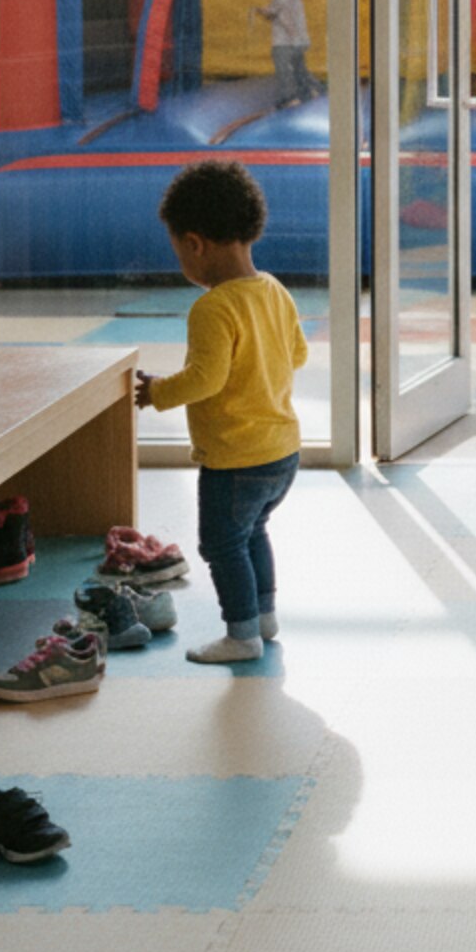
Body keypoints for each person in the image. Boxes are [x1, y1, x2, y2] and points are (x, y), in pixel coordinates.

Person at [135, 161, 307, 665]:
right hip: (282, 453)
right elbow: (297, 355)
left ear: (195, 243)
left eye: (176, 250)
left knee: (221, 546)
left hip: (236, 459)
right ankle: (265, 617)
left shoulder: (213, 307)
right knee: (253, 533)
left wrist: (158, 392)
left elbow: (206, 379)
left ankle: (241, 634)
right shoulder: (273, 289)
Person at [252, 0, 317, 109]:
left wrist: (262, 11)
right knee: (299, 68)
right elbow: (277, 15)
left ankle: (290, 97)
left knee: (284, 70)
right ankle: (308, 92)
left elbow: (274, 12)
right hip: (298, 40)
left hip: (285, 42)